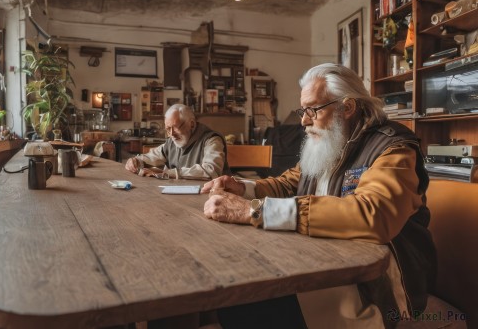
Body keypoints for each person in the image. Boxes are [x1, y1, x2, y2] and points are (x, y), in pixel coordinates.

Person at [201, 63, 436, 329]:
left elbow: (374, 215)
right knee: (235, 296)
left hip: (374, 283)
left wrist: (255, 210)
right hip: (322, 262)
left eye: (312, 110)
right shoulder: (328, 141)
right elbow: (289, 182)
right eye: (303, 110)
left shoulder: (393, 148)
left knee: (247, 307)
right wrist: (243, 188)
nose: (303, 120)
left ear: (347, 108)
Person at [125, 103, 230, 180]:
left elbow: (211, 171)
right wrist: (136, 160)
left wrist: (169, 173)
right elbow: (152, 156)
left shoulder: (212, 140)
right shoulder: (171, 142)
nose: (171, 134)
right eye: (168, 129)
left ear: (192, 124)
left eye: (175, 128)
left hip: (211, 198)